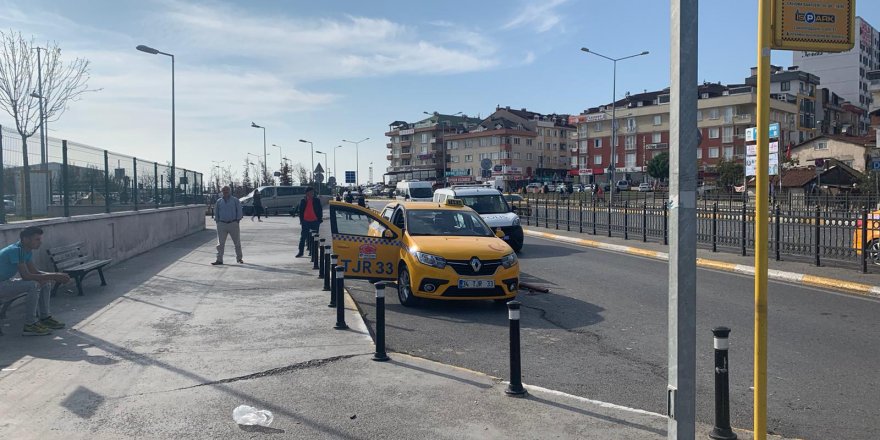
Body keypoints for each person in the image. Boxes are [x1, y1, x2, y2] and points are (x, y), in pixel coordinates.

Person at [0, 226, 71, 336]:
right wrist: (55, 275)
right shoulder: (16, 250)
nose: (40, 242)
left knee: (45, 282)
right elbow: (26, 276)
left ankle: (45, 317)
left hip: (5, 282)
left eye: (40, 239)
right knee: (32, 285)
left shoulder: (26, 251)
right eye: (37, 239)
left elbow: (35, 272)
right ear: (25, 239)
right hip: (2, 284)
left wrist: (55, 276)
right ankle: (30, 325)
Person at [213, 186, 243, 265]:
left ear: (230, 191)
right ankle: (219, 260)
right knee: (220, 243)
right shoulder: (219, 201)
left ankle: (239, 258)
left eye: (227, 190)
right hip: (222, 224)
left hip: (233, 223)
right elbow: (216, 212)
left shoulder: (235, 200)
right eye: (224, 190)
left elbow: (239, 210)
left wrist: (237, 220)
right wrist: (217, 221)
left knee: (237, 242)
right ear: (222, 192)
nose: (225, 191)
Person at [295, 187, 323, 258]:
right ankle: (300, 252)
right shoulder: (303, 201)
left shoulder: (317, 200)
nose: (312, 193)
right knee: (303, 237)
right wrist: (301, 221)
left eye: (313, 192)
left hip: (315, 221)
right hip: (305, 222)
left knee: (315, 238)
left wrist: (319, 220)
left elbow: (320, 210)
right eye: (311, 192)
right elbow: (300, 211)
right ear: (307, 193)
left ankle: (313, 252)